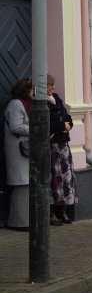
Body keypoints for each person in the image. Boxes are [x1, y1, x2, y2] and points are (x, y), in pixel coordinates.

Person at [46, 75, 77, 225]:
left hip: (63, 145)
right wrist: (62, 126)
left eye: (52, 85)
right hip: (51, 146)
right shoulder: (40, 102)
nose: (52, 88)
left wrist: (68, 125)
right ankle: (51, 213)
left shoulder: (56, 98)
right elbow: (47, 123)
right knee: (54, 179)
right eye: (51, 85)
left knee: (66, 179)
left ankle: (63, 211)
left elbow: (67, 117)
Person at [3, 78, 32, 231]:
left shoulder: (23, 103)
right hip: (18, 149)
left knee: (24, 183)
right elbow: (16, 126)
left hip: (24, 148)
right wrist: (35, 128)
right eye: (31, 90)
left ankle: (23, 220)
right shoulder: (16, 104)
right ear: (26, 91)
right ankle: (18, 222)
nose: (34, 93)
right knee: (21, 184)